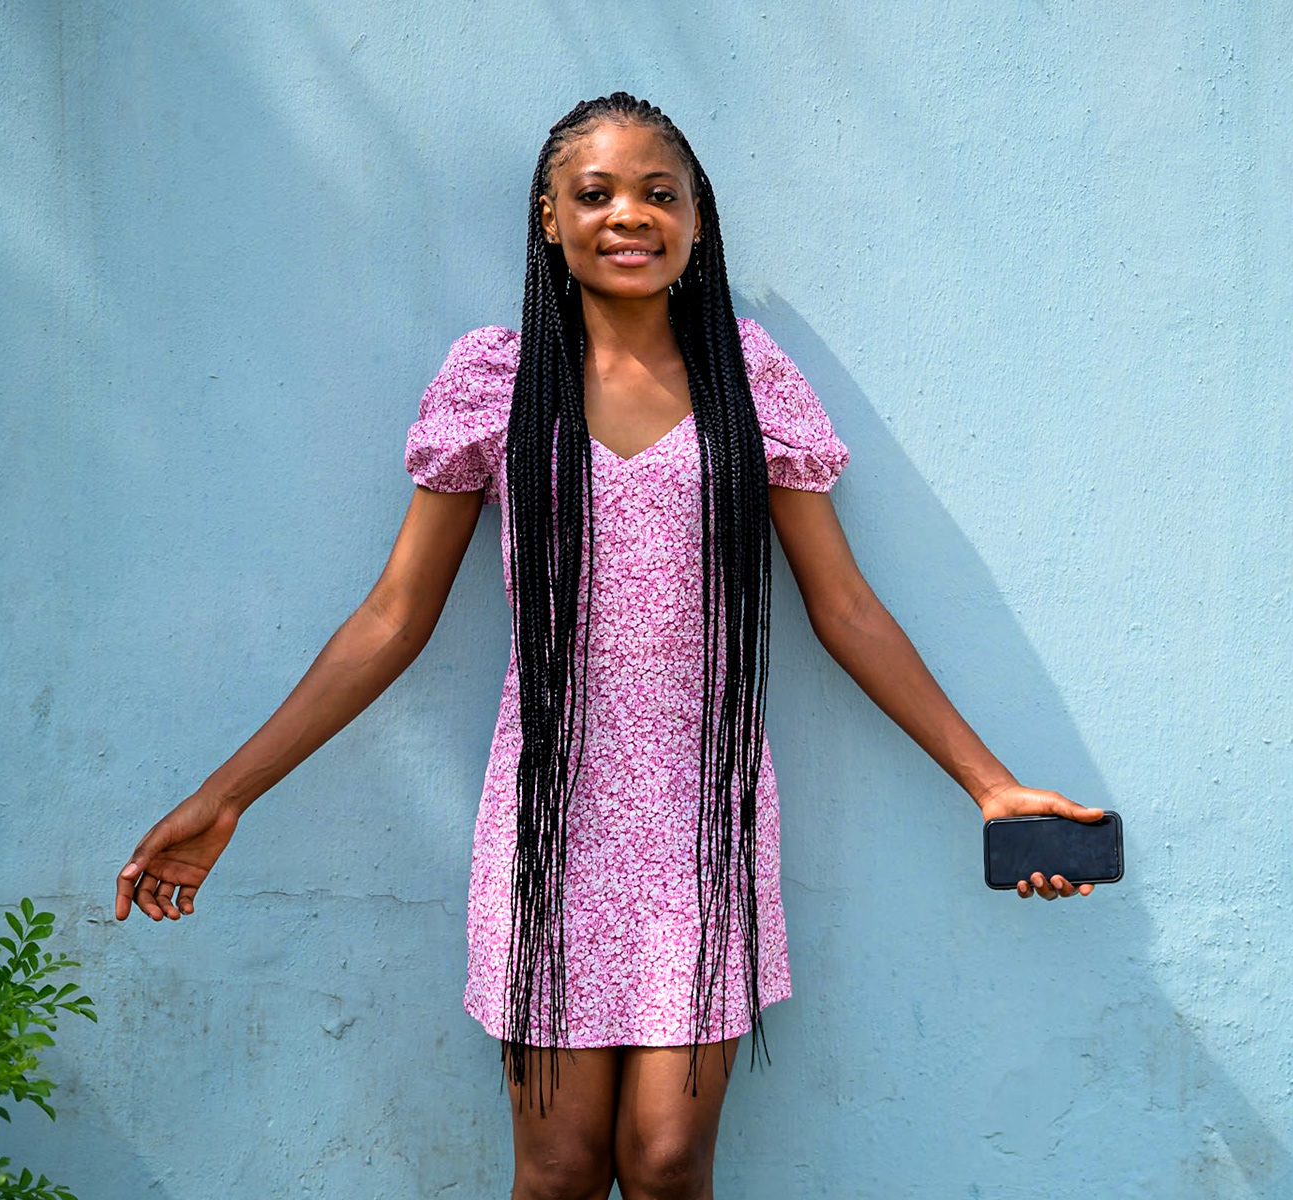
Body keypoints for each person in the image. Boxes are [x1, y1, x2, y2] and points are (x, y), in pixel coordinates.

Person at [112, 91, 1099, 1200]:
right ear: (549, 218)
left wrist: (990, 785)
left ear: (694, 219)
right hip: (549, 819)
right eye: (597, 193)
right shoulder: (495, 381)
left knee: (669, 1163)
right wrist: (230, 793)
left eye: (659, 194)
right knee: (562, 1168)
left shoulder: (748, 379)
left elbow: (848, 609)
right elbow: (393, 616)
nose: (630, 215)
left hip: (701, 818)